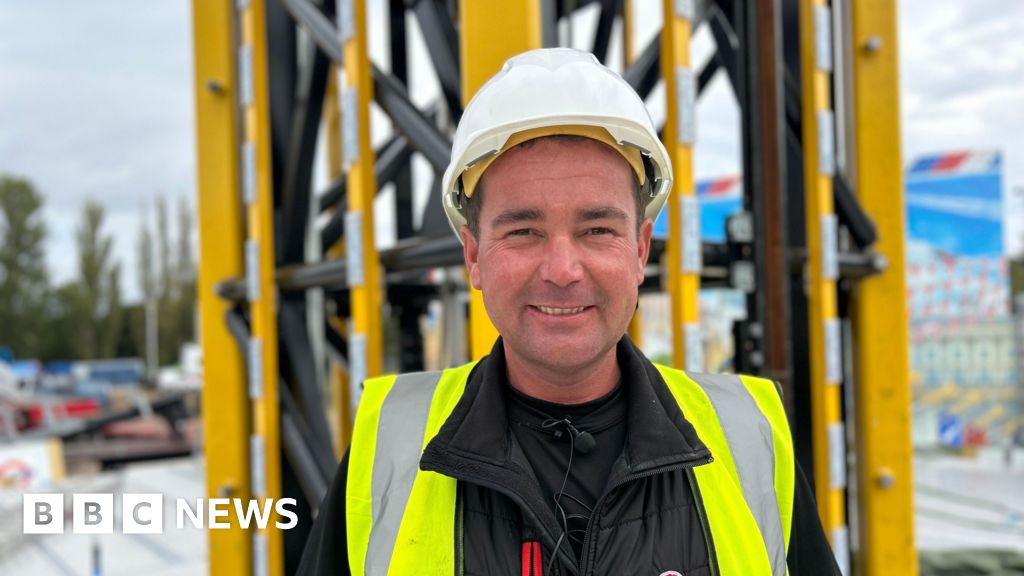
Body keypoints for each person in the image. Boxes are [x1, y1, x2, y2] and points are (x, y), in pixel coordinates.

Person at [297, 48, 840, 576]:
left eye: (597, 230)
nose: (562, 269)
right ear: (474, 256)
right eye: (523, 231)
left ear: (640, 250)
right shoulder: (388, 446)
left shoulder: (751, 440)